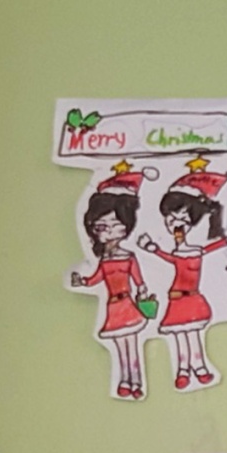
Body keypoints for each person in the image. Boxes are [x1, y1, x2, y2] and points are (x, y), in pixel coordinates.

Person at [151, 158, 227, 388]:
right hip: (177, 299)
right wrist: (154, 249)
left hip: (192, 298)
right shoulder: (177, 252)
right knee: (180, 336)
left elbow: (212, 248)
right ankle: (183, 370)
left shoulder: (197, 251)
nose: (177, 225)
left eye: (183, 220)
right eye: (171, 219)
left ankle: (199, 367)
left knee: (193, 335)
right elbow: (170, 259)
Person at [68, 167, 154, 399]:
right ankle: (125, 380)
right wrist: (81, 281)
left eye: (116, 225)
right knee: (120, 346)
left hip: (127, 305)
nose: (109, 232)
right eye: (101, 227)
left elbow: (138, 279)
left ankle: (135, 381)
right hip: (113, 308)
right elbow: (95, 278)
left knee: (131, 344)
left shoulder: (128, 257)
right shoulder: (104, 261)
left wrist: (143, 292)